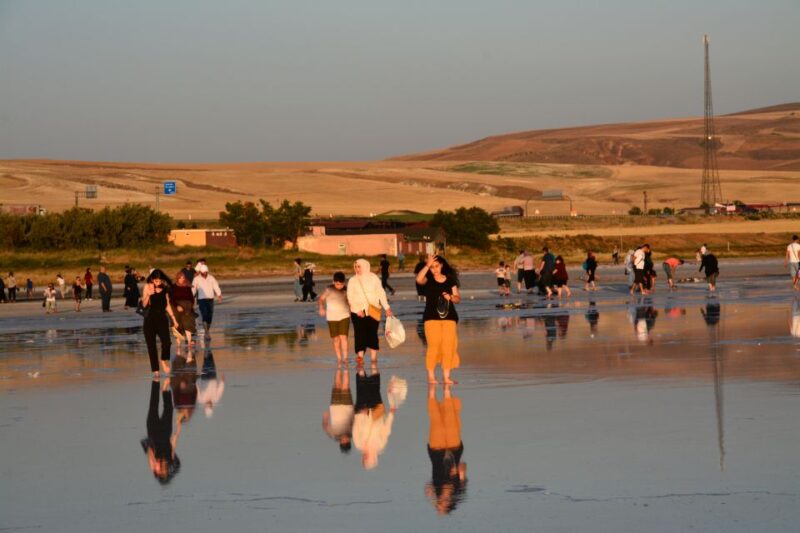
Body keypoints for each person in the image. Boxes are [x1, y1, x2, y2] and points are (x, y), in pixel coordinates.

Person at [416, 255, 461, 385]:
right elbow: (419, 279)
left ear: (441, 266)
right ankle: (431, 376)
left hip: (450, 318)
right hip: (431, 318)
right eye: (432, 267)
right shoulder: (428, 280)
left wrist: (451, 297)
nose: (434, 269)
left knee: (448, 347)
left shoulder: (450, 280)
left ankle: (446, 377)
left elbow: (458, 298)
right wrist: (427, 265)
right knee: (433, 347)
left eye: (436, 266)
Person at [425, 384, 467, 515]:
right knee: (450, 419)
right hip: (454, 449)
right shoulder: (459, 489)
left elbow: (427, 488)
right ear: (449, 504)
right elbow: (463, 465)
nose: (440, 502)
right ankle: (447, 391)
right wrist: (459, 471)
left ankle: (432, 391)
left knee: (436, 420)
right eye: (442, 505)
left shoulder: (436, 489)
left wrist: (431, 494)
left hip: (436, 449)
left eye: (438, 505)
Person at [347, 259, 392, 363]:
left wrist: (387, 308)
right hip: (357, 312)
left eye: (359, 266)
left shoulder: (373, 278)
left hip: (373, 310)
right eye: (355, 267)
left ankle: (373, 357)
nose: (357, 269)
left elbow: (381, 293)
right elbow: (350, 297)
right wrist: (357, 310)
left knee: (372, 334)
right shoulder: (352, 280)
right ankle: (360, 356)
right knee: (359, 333)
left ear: (365, 266)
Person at [352, 363, 394, 470]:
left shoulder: (359, 445)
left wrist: (360, 414)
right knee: (375, 387)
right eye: (368, 460)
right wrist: (391, 414)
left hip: (363, 412)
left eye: (364, 460)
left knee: (362, 387)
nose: (365, 457)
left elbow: (355, 428)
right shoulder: (380, 446)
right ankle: (373, 365)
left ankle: (360, 368)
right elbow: (386, 430)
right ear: (374, 459)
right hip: (377, 413)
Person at [140, 380, 181, 484]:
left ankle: (156, 381)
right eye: (164, 471)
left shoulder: (153, 463)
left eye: (159, 472)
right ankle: (164, 389)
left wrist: (154, 464)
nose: (161, 470)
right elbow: (173, 444)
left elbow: (149, 449)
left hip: (153, 431)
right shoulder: (169, 459)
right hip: (166, 431)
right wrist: (177, 430)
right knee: (169, 408)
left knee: (153, 404)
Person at [142, 269, 178, 376]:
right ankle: (156, 371)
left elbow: (167, 305)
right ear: (152, 279)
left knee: (167, 342)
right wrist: (148, 295)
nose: (157, 283)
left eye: (159, 280)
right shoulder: (148, 287)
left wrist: (173, 319)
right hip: (149, 319)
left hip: (162, 318)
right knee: (151, 346)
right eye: (155, 280)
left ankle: (164, 359)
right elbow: (144, 305)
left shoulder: (165, 289)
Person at [319, 271, 350, 364]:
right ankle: (339, 358)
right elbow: (321, 299)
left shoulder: (347, 290)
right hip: (332, 317)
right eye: (337, 284)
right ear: (333, 282)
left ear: (344, 282)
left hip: (345, 316)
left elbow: (350, 302)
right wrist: (321, 308)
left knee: (344, 337)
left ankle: (345, 358)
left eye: (341, 284)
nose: (339, 286)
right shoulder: (329, 289)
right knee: (336, 339)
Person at [322, 367, 354, 453]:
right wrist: (355, 410)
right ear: (349, 441)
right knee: (346, 386)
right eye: (346, 441)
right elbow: (355, 421)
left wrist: (325, 417)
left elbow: (325, 426)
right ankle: (346, 367)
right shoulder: (352, 433)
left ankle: (339, 366)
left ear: (340, 443)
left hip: (335, 407)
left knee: (337, 385)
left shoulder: (333, 435)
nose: (344, 439)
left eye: (343, 442)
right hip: (347, 406)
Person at [192, 263, 222, 340]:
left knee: (210, 316)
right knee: (204, 314)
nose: (205, 273)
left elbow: (216, 286)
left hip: (210, 299)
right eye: (203, 272)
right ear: (200, 272)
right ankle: (206, 332)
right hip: (201, 300)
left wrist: (219, 295)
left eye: (206, 272)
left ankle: (207, 331)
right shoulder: (196, 279)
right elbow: (193, 289)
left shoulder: (211, 278)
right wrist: (191, 297)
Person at [171, 270, 197, 350]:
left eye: (183, 278)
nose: (182, 279)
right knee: (179, 326)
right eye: (181, 278)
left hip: (188, 308)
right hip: (177, 308)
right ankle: (178, 345)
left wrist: (191, 305)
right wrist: (177, 306)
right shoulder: (174, 287)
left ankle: (189, 342)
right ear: (177, 278)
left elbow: (191, 297)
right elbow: (172, 299)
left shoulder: (187, 286)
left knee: (188, 324)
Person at [197, 349, 225, 418]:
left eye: (208, 406)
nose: (209, 404)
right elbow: (220, 390)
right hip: (212, 377)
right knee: (211, 362)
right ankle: (208, 350)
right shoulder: (215, 399)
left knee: (206, 363)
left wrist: (197, 380)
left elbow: (197, 388)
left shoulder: (201, 400)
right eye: (210, 406)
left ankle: (206, 349)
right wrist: (222, 381)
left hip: (204, 378)